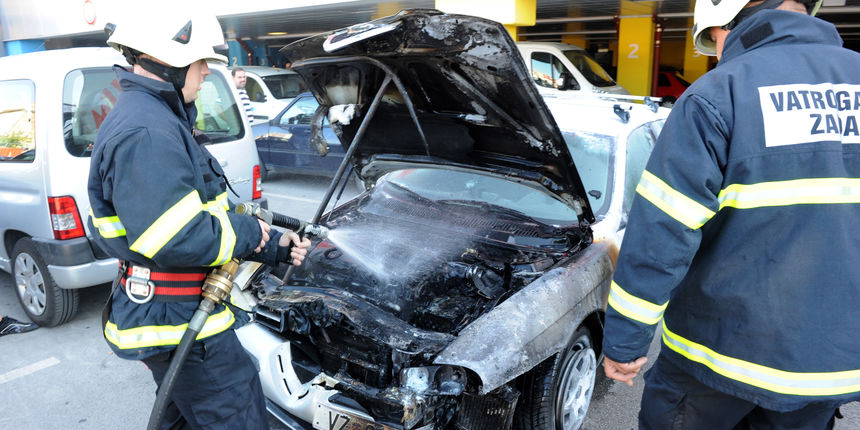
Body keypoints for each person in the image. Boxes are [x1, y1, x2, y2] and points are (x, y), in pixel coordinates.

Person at [601, 0, 860, 428]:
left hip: (716, 361)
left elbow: (663, 231)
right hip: (831, 364)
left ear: (727, 21)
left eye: (713, 41)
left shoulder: (722, 91)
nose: (718, 53)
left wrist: (626, 343)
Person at [88, 8, 311, 429]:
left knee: (183, 417)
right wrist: (252, 236)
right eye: (201, 61)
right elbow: (175, 236)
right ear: (168, 58)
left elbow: (203, 211)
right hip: (175, 317)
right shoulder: (148, 131)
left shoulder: (156, 118)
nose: (207, 72)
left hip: (173, 311)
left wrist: (274, 246)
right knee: (236, 405)